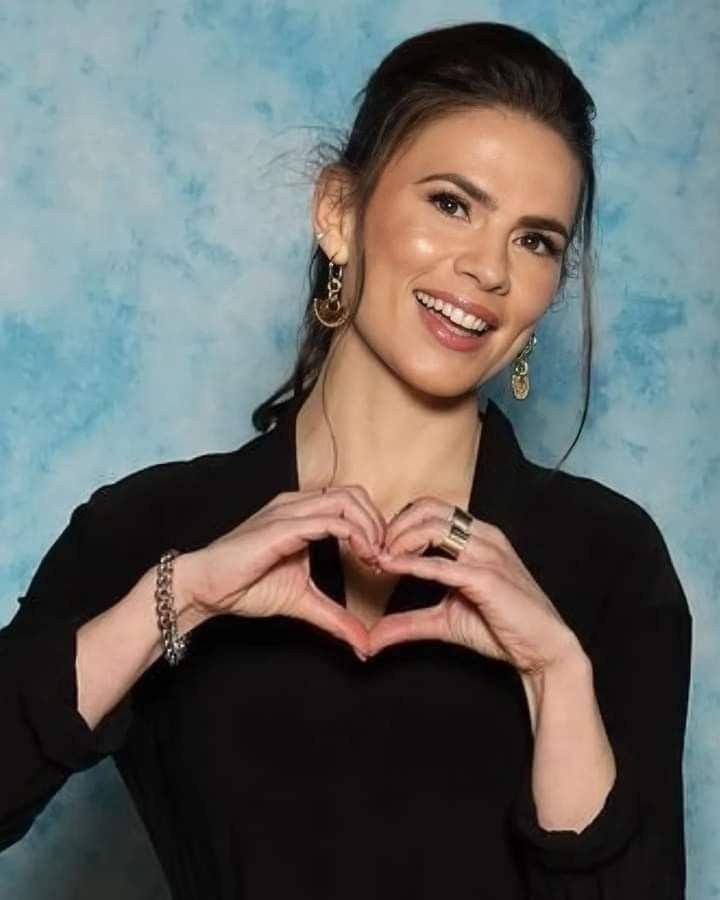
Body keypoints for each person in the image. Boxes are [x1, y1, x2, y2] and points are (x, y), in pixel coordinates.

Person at [0, 21, 691, 900]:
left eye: (535, 240)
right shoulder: (153, 529)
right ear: (340, 213)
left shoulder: (609, 559)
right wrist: (180, 599)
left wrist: (555, 673)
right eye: (452, 203)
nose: (487, 268)